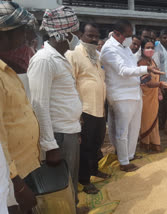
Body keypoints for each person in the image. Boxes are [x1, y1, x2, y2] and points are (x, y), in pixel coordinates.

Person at [28, 6, 83, 206]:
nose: (77, 37)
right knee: (61, 183)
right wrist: (50, 146)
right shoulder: (44, 61)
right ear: (65, 33)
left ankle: (73, 208)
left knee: (70, 179)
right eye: (75, 32)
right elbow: (39, 105)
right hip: (58, 135)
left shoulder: (60, 58)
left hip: (69, 130)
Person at [100, 20, 163, 172]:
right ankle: (123, 162)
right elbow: (123, 70)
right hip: (121, 95)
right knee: (122, 130)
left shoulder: (125, 47)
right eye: (127, 35)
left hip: (134, 92)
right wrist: (146, 69)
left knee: (134, 128)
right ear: (116, 34)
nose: (130, 38)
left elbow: (132, 68)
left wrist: (142, 76)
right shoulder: (109, 49)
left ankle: (129, 155)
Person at [0, 1, 41, 212]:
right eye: (21, 31)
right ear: (4, 35)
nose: (25, 36)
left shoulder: (7, 69)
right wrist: (17, 184)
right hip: (10, 177)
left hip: (22, 165)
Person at [65, 23, 110, 194]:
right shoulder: (73, 55)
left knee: (97, 143)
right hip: (85, 110)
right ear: (80, 35)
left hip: (99, 108)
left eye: (96, 36)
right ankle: (84, 180)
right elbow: (70, 84)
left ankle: (94, 170)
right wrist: (77, 114)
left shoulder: (96, 56)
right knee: (85, 147)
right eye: (90, 35)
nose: (93, 39)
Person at [138, 39, 167, 153]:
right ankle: (146, 143)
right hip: (145, 95)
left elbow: (156, 76)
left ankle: (154, 143)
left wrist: (159, 90)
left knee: (154, 119)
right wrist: (160, 84)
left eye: (152, 47)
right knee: (146, 120)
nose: (150, 50)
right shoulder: (142, 63)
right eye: (147, 47)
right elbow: (147, 82)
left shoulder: (152, 61)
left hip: (153, 96)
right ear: (142, 49)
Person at [153, 29, 167, 129]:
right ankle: (160, 128)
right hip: (161, 83)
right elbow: (156, 68)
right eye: (164, 38)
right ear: (160, 39)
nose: (166, 40)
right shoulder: (157, 50)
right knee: (161, 107)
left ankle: (165, 126)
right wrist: (158, 85)